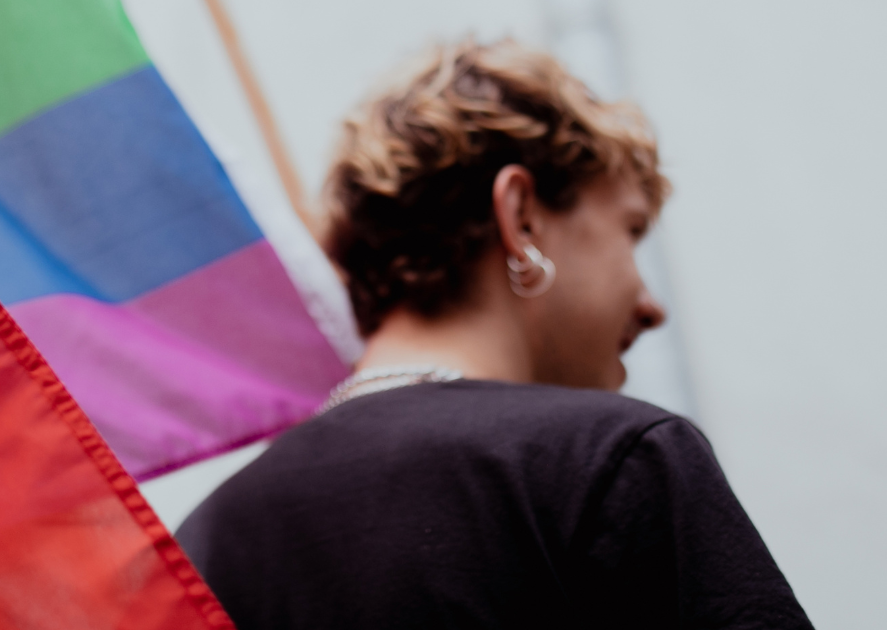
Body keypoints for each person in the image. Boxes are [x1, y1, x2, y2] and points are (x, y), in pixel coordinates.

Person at [176, 39, 812, 629]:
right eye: (631, 230)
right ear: (522, 215)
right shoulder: (611, 460)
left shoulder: (198, 547)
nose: (651, 307)